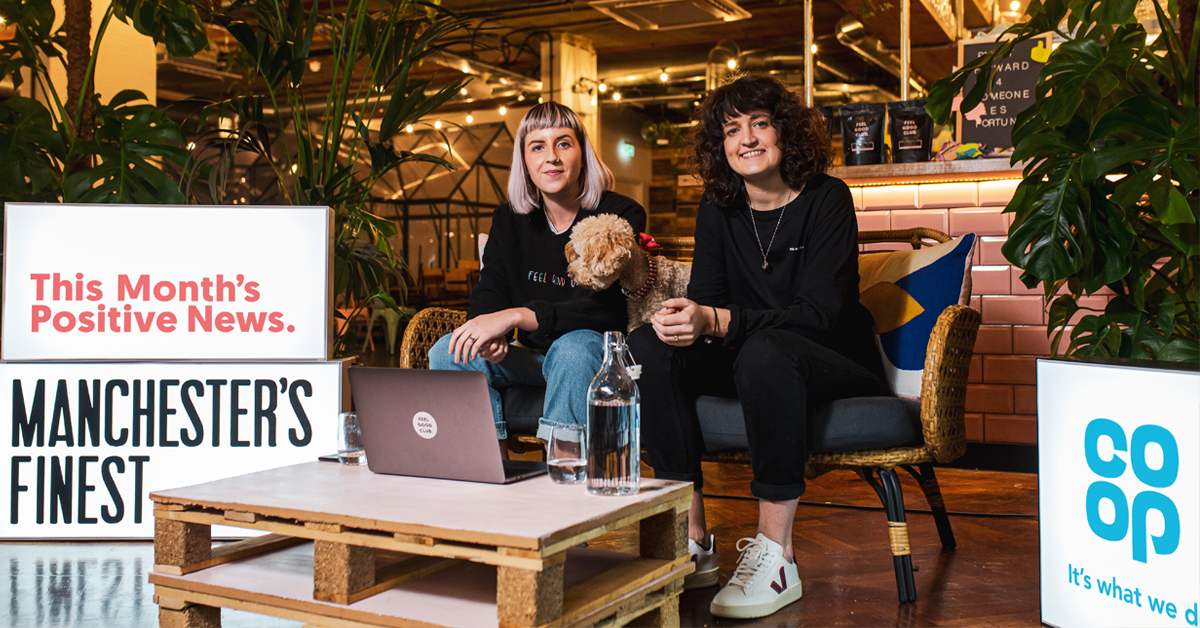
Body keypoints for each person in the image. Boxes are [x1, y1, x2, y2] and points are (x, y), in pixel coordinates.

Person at [627, 75, 888, 619]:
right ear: (719, 146)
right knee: (649, 345)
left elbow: (818, 317)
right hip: (752, 358)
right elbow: (708, 301)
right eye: (731, 130)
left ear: (785, 132)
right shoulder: (717, 209)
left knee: (768, 349)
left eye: (759, 124)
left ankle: (776, 556)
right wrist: (685, 320)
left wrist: (719, 321)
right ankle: (692, 538)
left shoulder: (828, 198)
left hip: (834, 360)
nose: (746, 139)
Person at [429, 102, 646, 446]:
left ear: (582, 154)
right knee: (448, 351)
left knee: (572, 349)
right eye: (538, 147)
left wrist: (517, 316)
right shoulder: (508, 220)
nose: (552, 158)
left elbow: (602, 309)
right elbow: (491, 287)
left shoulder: (618, 213)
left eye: (563, 144)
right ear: (525, 162)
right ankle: (487, 467)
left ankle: (564, 470)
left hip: (592, 354)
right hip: (531, 358)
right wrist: (488, 333)